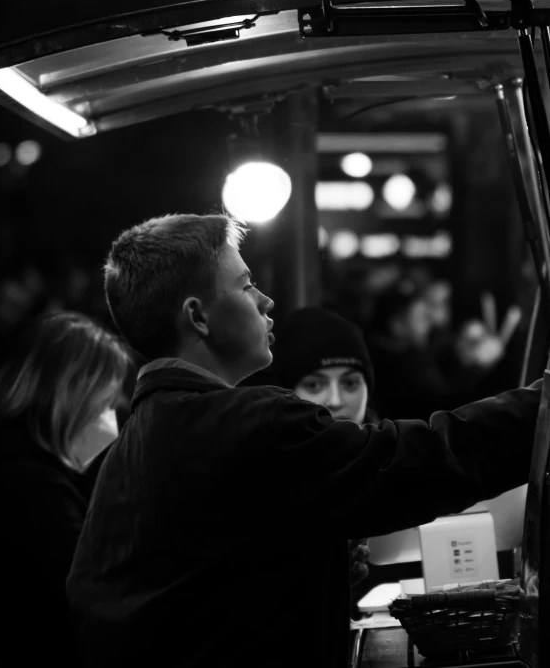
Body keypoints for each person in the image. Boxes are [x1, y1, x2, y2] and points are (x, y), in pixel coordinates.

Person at [66, 213, 541, 668]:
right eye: (246, 284)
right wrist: (541, 407)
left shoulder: (133, 443)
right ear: (199, 317)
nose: (265, 300)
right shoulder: (247, 422)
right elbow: (415, 464)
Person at [0, 312, 129, 668]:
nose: (112, 420)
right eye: (107, 403)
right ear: (73, 396)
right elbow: (91, 608)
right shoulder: (34, 491)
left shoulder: (1, 459)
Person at [271, 305, 375, 611]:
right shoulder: (271, 478)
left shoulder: (386, 457)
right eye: (315, 385)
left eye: (350, 383)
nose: (336, 400)